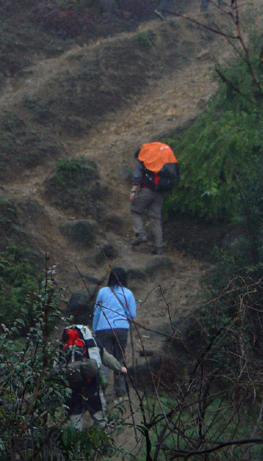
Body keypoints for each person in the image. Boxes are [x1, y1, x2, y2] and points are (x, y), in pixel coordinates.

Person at [62, 300, 127, 430]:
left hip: (71, 387)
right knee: (101, 420)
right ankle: (102, 446)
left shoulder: (64, 341)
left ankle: (74, 448)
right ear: (87, 326)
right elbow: (107, 358)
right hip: (92, 385)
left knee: (74, 424)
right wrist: (120, 368)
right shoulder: (93, 341)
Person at [93, 268, 136, 398]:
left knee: (104, 357)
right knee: (119, 358)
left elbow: (97, 312)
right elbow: (132, 315)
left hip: (103, 328)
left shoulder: (102, 292)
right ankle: (120, 388)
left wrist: (94, 329)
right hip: (121, 329)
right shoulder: (128, 293)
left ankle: (102, 385)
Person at [130, 141, 179, 254]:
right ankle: (159, 247)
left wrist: (133, 191)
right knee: (155, 219)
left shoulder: (141, 160)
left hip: (146, 190)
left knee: (135, 210)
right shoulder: (157, 162)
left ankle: (141, 234)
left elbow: (137, 176)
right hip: (159, 192)